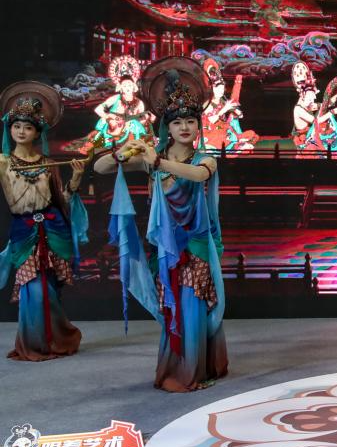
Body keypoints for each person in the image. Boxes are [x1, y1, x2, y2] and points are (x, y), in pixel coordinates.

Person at [95, 57, 228, 391]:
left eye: (191, 121)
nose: (185, 127)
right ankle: (176, 369)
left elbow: (198, 176)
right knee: (173, 306)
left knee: (192, 305)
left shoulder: (205, 159)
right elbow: (99, 169)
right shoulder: (152, 159)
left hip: (196, 244)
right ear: (166, 126)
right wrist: (123, 152)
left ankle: (193, 371)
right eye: (177, 121)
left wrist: (158, 162)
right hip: (166, 246)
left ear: (198, 126)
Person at [0, 81, 88, 361]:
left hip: (52, 229)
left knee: (50, 289)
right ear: (9, 129)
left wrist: (76, 178)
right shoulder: (3, 163)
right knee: (32, 290)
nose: (21, 131)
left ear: (37, 132)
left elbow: (62, 199)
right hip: (24, 231)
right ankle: (33, 343)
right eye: (16, 126)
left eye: (27, 127)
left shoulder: (48, 164)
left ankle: (57, 339)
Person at [77, 56, 154, 153]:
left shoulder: (139, 103)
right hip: (112, 127)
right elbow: (98, 109)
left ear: (134, 87)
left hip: (129, 130)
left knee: (134, 125)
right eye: (124, 85)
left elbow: (140, 121)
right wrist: (109, 116)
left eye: (129, 85)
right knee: (104, 125)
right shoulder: (115, 99)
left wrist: (146, 119)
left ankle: (132, 147)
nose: (127, 88)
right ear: (120, 88)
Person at [200, 58, 258, 153]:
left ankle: (237, 143)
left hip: (223, 128)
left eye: (222, 89)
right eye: (217, 89)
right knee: (219, 137)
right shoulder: (207, 103)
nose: (221, 91)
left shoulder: (222, 101)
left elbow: (234, 107)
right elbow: (211, 120)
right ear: (211, 89)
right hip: (209, 131)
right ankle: (236, 145)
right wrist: (224, 109)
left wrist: (237, 113)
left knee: (251, 134)